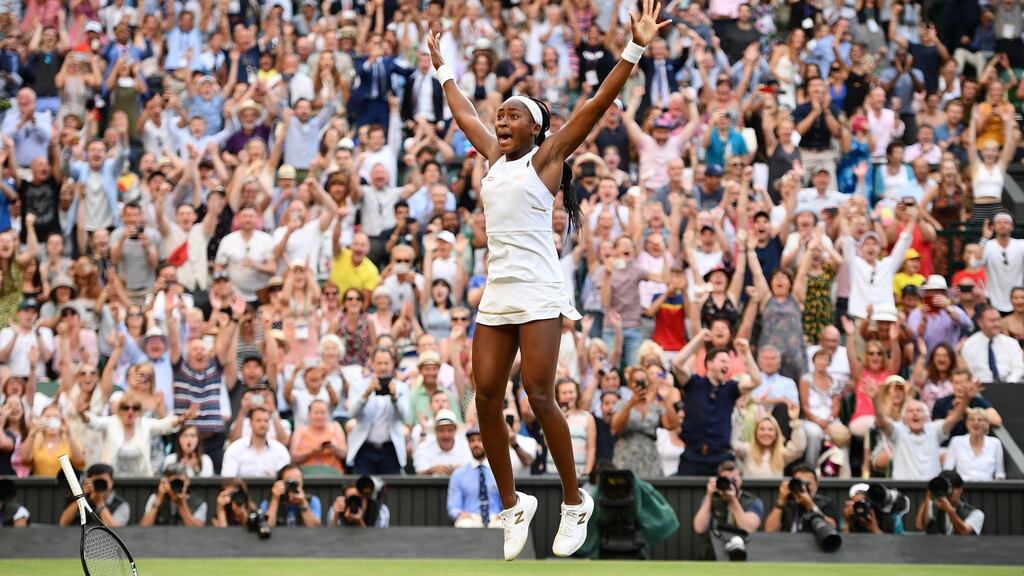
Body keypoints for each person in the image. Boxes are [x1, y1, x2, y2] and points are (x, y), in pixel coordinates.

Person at [425, 2, 666, 560]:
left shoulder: (549, 158)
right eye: (499, 116)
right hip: (499, 290)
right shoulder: (492, 156)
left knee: (536, 393)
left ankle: (574, 499)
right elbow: (463, 114)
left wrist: (634, 48)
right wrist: (442, 68)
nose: (500, 121)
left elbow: (598, 104)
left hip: (538, 290)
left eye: (510, 116)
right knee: (484, 396)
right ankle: (514, 507)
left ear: (535, 127)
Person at [672, 331, 761, 476]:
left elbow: (756, 381)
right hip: (692, 456)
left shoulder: (731, 388)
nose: (727, 365)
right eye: (723, 361)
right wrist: (699, 339)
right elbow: (677, 363)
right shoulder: (694, 383)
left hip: (721, 457)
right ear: (709, 364)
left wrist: (747, 354)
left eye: (728, 362)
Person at [871, 377, 967, 481]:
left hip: (930, 490)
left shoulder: (934, 430)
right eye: (910, 411)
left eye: (919, 410)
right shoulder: (898, 430)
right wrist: (875, 400)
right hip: (903, 488)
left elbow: (954, 418)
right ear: (905, 418)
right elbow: (882, 421)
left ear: (926, 417)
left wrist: (967, 398)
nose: (915, 413)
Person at [346, 347, 410, 475]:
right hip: (365, 448)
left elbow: (404, 416)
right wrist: (366, 394)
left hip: (390, 449)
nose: (383, 367)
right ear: (372, 364)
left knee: (393, 492)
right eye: (379, 363)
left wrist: (394, 398)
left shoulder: (402, 387)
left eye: (386, 363)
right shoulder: (358, 386)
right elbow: (352, 414)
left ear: (392, 365)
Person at [692, 460, 765, 560]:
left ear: (740, 479)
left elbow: (749, 528)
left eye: (734, 480)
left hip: (746, 552)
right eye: (727, 480)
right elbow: (699, 528)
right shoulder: (713, 499)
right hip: (715, 553)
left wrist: (733, 501)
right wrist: (709, 495)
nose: (731, 484)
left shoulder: (752, 501)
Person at [447, 425, 502, 529]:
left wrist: (504, 515)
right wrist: (459, 514)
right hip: (471, 518)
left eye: (480, 440)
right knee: (464, 524)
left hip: (496, 517)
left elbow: (508, 501)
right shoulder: (459, 474)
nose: (476, 444)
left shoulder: (500, 472)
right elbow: (453, 506)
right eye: (472, 441)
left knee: (505, 526)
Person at [764, 464, 839, 533]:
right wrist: (780, 501)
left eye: (807, 484)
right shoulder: (787, 503)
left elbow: (832, 528)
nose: (804, 488)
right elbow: (769, 530)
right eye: (799, 483)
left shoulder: (825, 503)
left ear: (816, 484)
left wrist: (811, 506)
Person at [220, 407, 291, 478]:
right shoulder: (235, 448)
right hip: (241, 489)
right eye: (258, 420)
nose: (262, 424)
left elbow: (285, 479)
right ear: (250, 423)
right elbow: (228, 479)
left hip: (274, 488)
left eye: (266, 421)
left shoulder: (280, 450)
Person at [960, 305, 1024, 383]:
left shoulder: (1011, 343)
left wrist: (1009, 384)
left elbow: (1019, 368)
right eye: (992, 321)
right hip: (980, 388)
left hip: (1010, 386)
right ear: (980, 323)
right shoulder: (969, 345)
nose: (996, 324)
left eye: (998, 320)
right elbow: (968, 373)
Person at [58, 464, 130, 527]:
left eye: (103, 482)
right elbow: (63, 523)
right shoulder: (77, 499)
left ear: (111, 482)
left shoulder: (121, 505)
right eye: (96, 482)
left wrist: (99, 502)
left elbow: (115, 529)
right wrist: (81, 497)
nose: (100, 485)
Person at [915, 470, 985, 535]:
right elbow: (920, 526)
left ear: (960, 489)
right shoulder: (932, 506)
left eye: (951, 488)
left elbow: (964, 531)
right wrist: (930, 493)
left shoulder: (976, 514)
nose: (948, 492)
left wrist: (950, 511)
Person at [944, 408, 1006, 481]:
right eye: (972, 419)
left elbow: (1000, 474)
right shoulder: (956, 441)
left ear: (987, 424)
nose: (976, 423)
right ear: (967, 423)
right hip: (963, 487)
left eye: (980, 420)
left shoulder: (995, 443)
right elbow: (947, 469)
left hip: (987, 488)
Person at [139, 464, 207, 527]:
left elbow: (197, 532)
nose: (177, 485)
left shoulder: (199, 504)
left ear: (187, 482)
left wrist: (181, 503)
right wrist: (158, 500)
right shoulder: (155, 498)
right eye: (174, 483)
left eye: (180, 482)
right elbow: (144, 526)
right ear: (167, 482)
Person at [414, 409, 472, 477]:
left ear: (455, 430)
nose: (446, 435)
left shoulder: (466, 447)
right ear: (436, 431)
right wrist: (430, 471)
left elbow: (473, 470)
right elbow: (419, 472)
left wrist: (462, 470)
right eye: (441, 430)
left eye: (450, 430)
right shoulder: (423, 448)